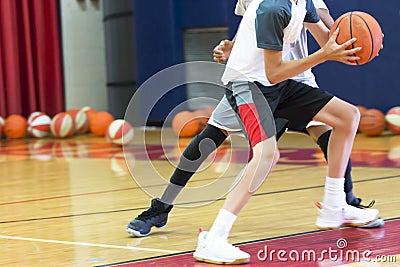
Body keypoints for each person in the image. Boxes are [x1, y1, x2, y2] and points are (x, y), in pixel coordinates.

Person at [126, 0, 382, 239]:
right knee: (210, 138)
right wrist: (232, 45)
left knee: (333, 130)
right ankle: (161, 207)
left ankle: (343, 203)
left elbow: (330, 28)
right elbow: (251, 25)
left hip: (297, 75)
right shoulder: (264, 6)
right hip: (254, 78)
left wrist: (357, 41)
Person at [191, 0, 382, 263]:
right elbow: (274, 71)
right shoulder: (272, 8)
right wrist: (325, 54)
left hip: (278, 83)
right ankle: (213, 239)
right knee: (266, 155)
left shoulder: (304, 2)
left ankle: (334, 205)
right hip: (247, 84)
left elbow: (330, 43)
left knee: (348, 116)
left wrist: (358, 45)